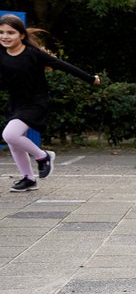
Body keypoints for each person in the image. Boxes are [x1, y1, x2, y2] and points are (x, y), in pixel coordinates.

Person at [0, 14, 100, 192]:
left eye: (11, 32)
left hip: (36, 103)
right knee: (14, 143)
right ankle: (29, 179)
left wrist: (90, 79)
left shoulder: (33, 54)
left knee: (10, 135)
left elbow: (63, 65)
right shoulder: (1, 54)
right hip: (15, 104)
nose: (5, 36)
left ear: (21, 35)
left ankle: (43, 156)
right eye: (1, 32)